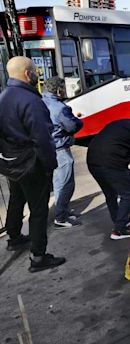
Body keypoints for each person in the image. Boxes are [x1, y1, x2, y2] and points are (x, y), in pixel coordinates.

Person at [0, 56, 65, 272]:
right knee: (38, 210)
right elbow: (43, 139)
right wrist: (49, 165)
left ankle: (14, 236)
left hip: (11, 163)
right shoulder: (31, 101)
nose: (38, 73)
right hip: (31, 164)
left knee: (17, 199)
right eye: (35, 70)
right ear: (28, 74)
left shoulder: (4, 96)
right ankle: (38, 256)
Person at [87, 113, 130, 240]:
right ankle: (119, 230)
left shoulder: (122, 122)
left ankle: (119, 221)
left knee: (110, 193)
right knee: (128, 192)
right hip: (111, 162)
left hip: (92, 160)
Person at [42, 76, 83, 228]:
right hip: (60, 148)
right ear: (59, 90)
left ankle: (63, 211)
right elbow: (72, 126)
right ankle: (61, 217)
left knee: (59, 182)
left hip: (49, 147)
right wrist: (79, 120)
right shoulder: (60, 108)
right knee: (65, 184)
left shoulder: (42, 101)